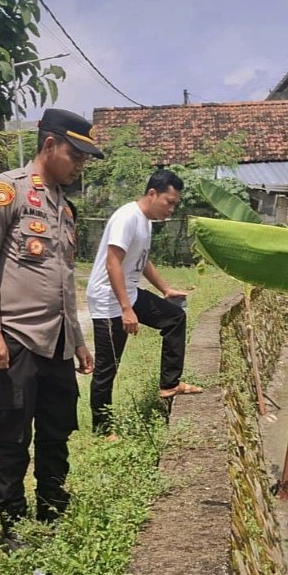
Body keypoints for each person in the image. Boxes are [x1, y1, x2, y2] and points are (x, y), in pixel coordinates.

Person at [0, 109, 99, 551]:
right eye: (75, 154)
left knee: (57, 430)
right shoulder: (10, 192)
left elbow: (64, 279)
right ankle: (11, 525)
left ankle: (53, 510)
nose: (80, 165)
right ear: (49, 146)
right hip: (18, 339)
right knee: (12, 435)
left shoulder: (65, 206)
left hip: (59, 343)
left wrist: (79, 341)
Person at [86, 169, 203, 435]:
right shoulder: (127, 218)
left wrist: (165, 288)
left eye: (175, 204)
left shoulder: (146, 221)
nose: (171, 209)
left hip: (130, 293)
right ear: (152, 194)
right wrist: (127, 310)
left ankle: (169, 384)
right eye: (169, 202)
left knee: (174, 317)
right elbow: (112, 261)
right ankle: (102, 430)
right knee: (108, 367)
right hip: (109, 300)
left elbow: (142, 259)